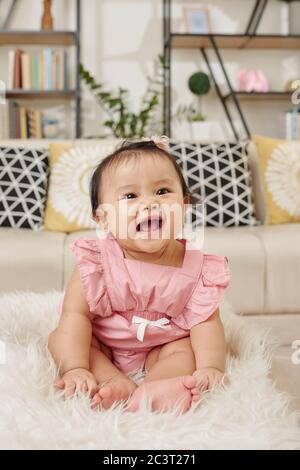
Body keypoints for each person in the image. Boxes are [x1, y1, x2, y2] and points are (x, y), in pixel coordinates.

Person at [48, 136, 230, 413]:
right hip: (106, 341)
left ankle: (156, 387)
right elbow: (76, 315)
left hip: (161, 344)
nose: (149, 204)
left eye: (162, 191)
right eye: (130, 196)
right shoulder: (96, 262)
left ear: (184, 206)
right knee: (63, 338)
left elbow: (206, 324)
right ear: (103, 218)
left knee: (184, 350)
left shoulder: (196, 269)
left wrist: (210, 367)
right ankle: (112, 381)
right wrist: (75, 367)